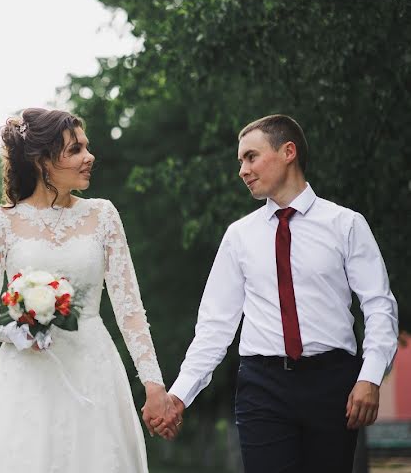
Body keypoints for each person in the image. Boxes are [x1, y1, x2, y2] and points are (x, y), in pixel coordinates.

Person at [157, 114, 398, 472]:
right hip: (262, 387)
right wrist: (179, 394)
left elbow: (379, 306)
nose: (242, 170)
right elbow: (215, 326)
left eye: (251, 157)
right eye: (240, 161)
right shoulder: (239, 236)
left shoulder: (345, 224)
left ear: (288, 152)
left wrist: (370, 376)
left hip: (333, 385)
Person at [0, 107, 176, 472]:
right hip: (28, 376)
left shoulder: (103, 215)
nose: (89, 156)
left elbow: (129, 309)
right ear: (42, 161)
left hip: (93, 367)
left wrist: (153, 383)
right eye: (75, 149)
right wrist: (16, 331)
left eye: (86, 146)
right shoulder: (2, 222)